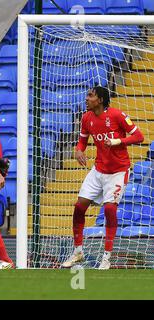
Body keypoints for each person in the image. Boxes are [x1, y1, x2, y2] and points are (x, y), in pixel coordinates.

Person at [61, 86, 144, 270]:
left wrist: (118, 141)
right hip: (98, 170)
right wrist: (78, 150)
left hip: (118, 172)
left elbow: (139, 136)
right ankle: (78, 251)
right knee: (79, 206)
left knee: (109, 210)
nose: (86, 98)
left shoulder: (117, 115)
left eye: (90, 95)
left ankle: (106, 258)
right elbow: (82, 140)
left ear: (99, 99)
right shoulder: (86, 118)